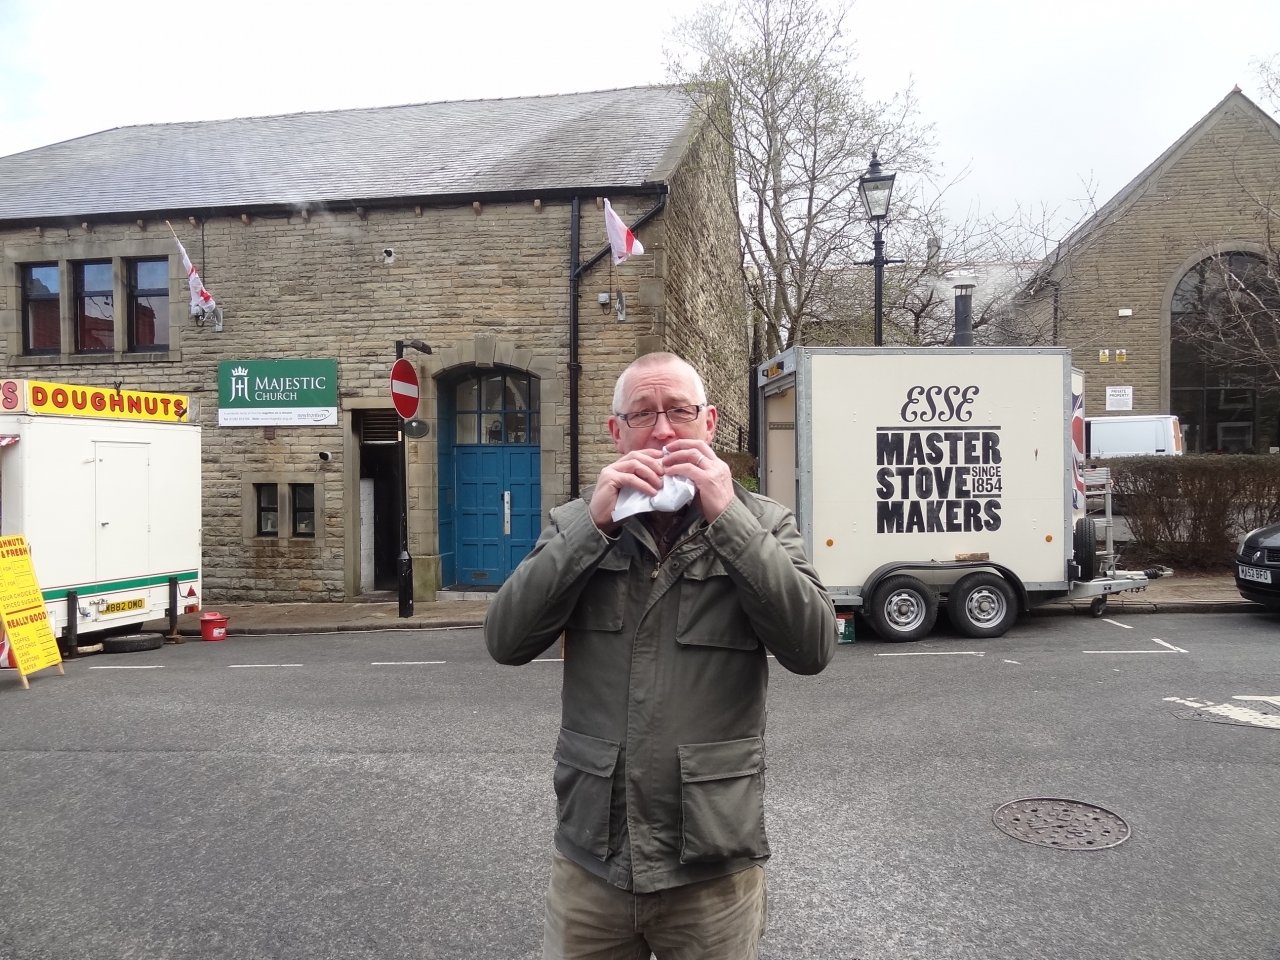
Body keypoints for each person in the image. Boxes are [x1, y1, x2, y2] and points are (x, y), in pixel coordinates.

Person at [485, 352, 836, 960]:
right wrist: (592, 528)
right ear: (615, 431)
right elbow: (506, 641)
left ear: (710, 422)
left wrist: (729, 520)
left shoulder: (764, 523)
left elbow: (813, 647)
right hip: (593, 862)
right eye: (642, 414)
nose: (664, 430)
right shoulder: (577, 522)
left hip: (711, 863)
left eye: (679, 411)